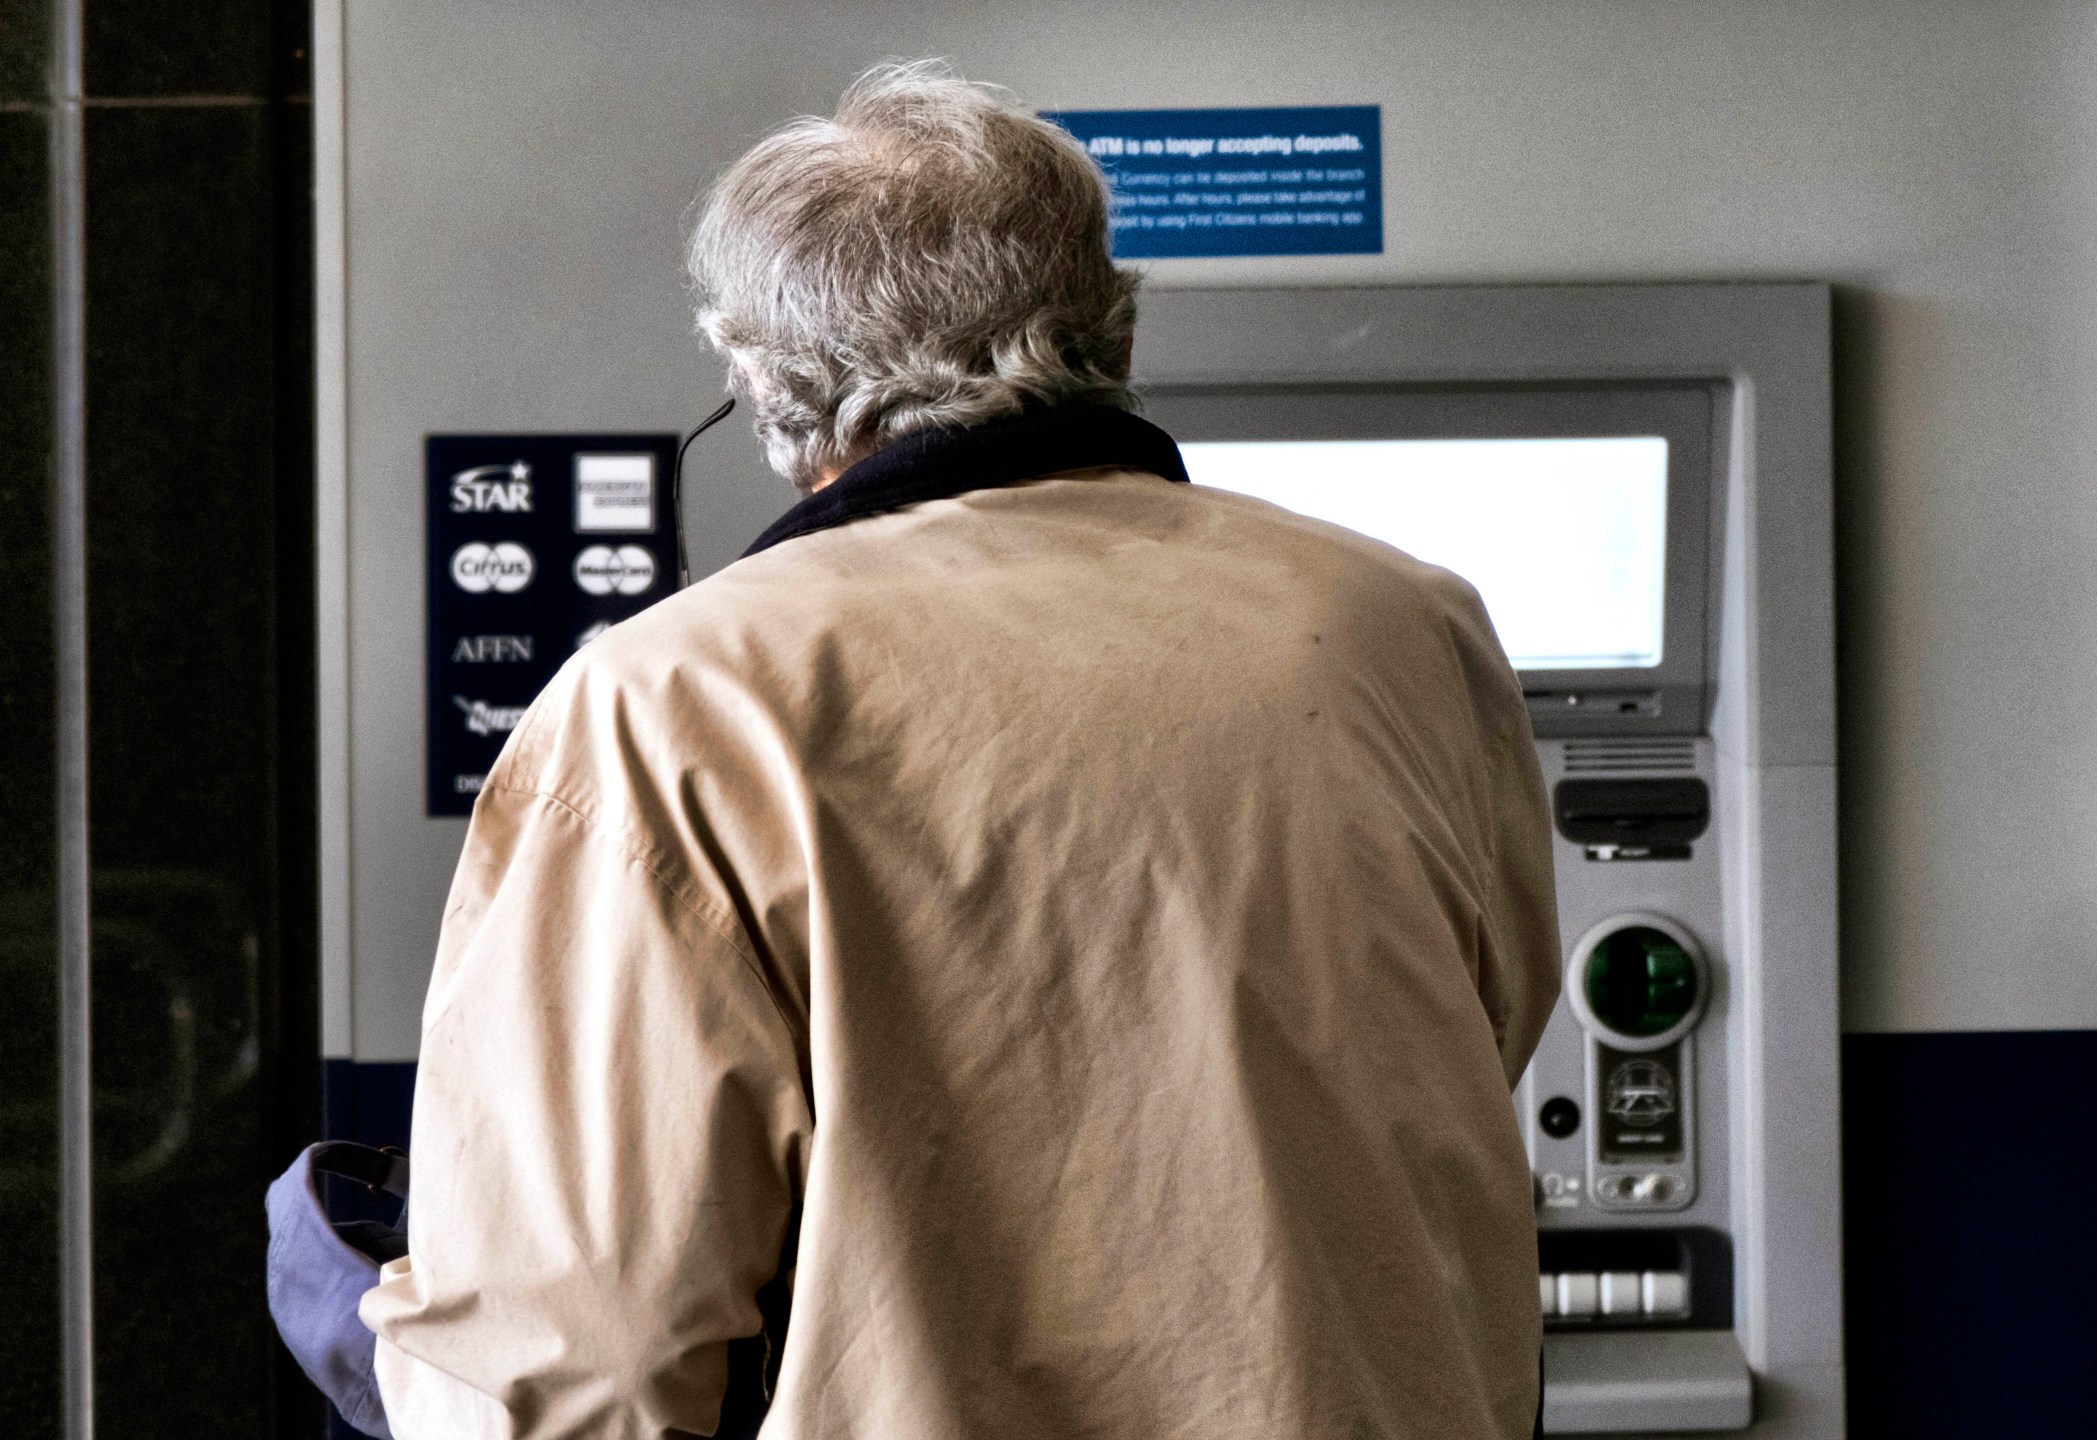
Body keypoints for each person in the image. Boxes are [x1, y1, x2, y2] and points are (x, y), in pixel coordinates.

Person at [357, 60, 1561, 1440]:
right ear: (1110, 322)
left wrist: (359, 1335)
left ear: (762, 381)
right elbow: (1476, 1039)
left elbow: (574, 1371)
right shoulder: (1397, 624)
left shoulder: (675, 702)